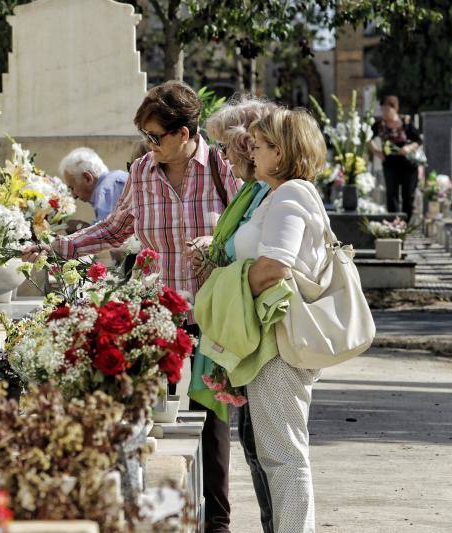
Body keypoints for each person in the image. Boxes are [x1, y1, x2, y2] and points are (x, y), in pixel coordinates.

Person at [23, 80, 242, 533]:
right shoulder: (143, 171)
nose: (150, 145)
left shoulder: (223, 167)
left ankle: (217, 524)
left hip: (214, 317)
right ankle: (166, 520)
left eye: (156, 136)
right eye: (146, 136)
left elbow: (253, 227)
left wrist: (218, 244)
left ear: (184, 133)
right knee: (157, 425)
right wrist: (57, 247)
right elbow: (113, 228)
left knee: (213, 427)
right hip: (159, 319)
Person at [221, 107, 327, 533]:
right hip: (273, 334)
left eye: (261, 146)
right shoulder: (280, 193)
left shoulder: (289, 196)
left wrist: (224, 285)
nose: (253, 154)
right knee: (278, 452)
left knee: (283, 455)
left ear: (280, 153)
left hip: (280, 340)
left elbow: (274, 267)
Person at [189, 95, 278, 533]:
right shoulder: (252, 190)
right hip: (245, 325)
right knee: (256, 445)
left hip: (263, 333)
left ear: (247, 145)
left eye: (226, 147)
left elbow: (272, 261)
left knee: (271, 451)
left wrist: (220, 260)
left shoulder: (270, 192)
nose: (222, 157)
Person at [370, 95, 422, 220]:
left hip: (408, 164)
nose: (385, 113)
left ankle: (405, 224)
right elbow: (366, 137)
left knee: (408, 195)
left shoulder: (406, 122)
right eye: (383, 110)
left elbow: (418, 140)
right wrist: (377, 152)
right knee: (391, 195)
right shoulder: (379, 124)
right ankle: (394, 223)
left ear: (395, 109)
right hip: (390, 164)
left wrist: (408, 148)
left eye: (387, 110)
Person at [59, 147, 129, 225]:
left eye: (72, 188)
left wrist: (80, 228)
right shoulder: (115, 179)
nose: (73, 195)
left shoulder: (106, 191)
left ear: (88, 178)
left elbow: (107, 234)